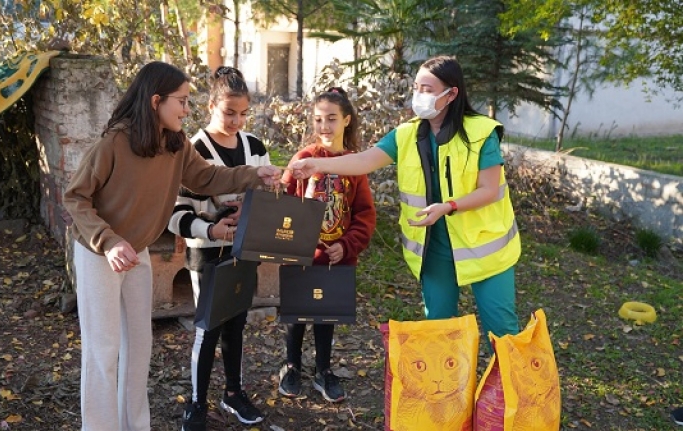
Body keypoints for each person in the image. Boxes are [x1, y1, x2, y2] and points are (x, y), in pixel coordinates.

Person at [63, 61, 281, 431]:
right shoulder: (114, 141)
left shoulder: (176, 144)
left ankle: (135, 425)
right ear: (155, 101)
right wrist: (109, 241)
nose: (186, 109)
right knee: (103, 352)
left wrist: (252, 174)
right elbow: (75, 197)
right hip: (100, 253)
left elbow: (207, 176)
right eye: (181, 100)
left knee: (139, 348)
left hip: (138, 253)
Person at [288, 55, 521, 345]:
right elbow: (363, 161)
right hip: (434, 249)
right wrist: (318, 165)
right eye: (416, 87)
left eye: (427, 88)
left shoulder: (481, 133)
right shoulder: (406, 134)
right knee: (439, 331)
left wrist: (448, 207)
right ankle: (447, 390)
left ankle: (512, 390)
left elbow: (488, 189)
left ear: (451, 94)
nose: (419, 95)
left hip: (487, 248)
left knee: (503, 332)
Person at [167, 66, 269, 431]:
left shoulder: (255, 147)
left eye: (243, 114)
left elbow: (267, 196)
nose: (237, 121)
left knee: (237, 326)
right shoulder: (193, 149)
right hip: (207, 254)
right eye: (229, 113)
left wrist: (253, 208)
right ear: (211, 104)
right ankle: (197, 403)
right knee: (208, 328)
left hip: (245, 250)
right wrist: (211, 225)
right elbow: (175, 215)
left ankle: (233, 393)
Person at [278, 87, 376, 402]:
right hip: (301, 256)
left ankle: (323, 371)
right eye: (319, 119)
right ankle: (291, 366)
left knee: (326, 315)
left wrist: (347, 246)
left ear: (346, 120)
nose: (324, 126)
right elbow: (284, 204)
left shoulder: (354, 165)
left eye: (332, 119)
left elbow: (364, 214)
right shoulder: (303, 159)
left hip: (337, 259)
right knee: (296, 315)